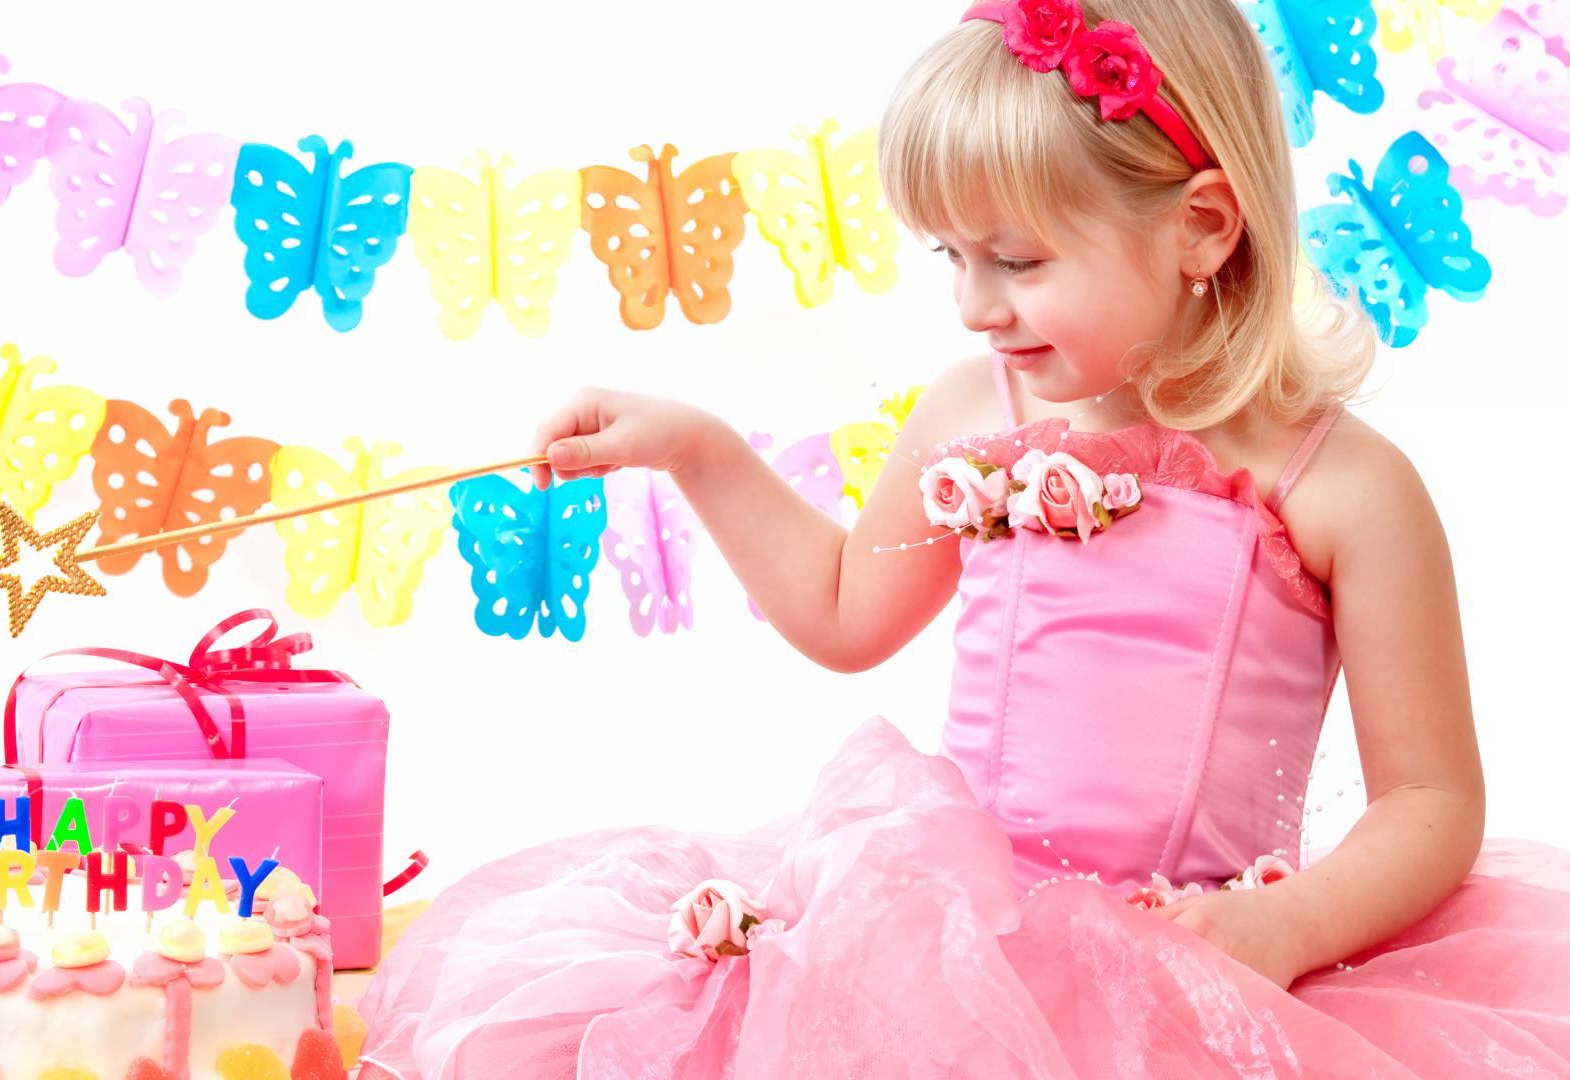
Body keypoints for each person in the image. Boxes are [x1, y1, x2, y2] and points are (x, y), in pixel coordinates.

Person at [357, 1, 1570, 1075]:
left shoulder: (1346, 488)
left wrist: (1286, 925)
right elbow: (845, 611)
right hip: (946, 950)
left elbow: (1429, 797)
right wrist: (699, 450)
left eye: (1019, 260)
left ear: (1202, 227)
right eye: (952, 255)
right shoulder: (970, 412)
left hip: (1191, 959)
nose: (974, 305)